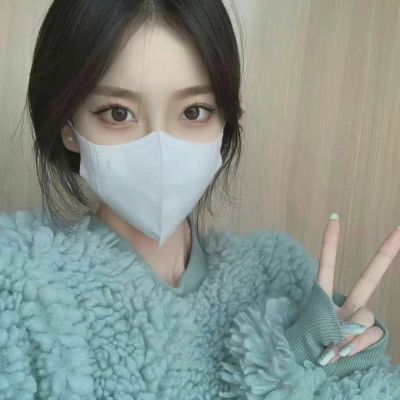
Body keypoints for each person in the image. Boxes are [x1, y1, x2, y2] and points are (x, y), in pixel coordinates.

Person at [1, 1, 399, 398]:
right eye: (118, 113)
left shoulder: (279, 277)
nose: (160, 149)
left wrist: (316, 371)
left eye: (193, 111)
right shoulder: (19, 287)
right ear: (67, 126)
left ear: (225, 122)